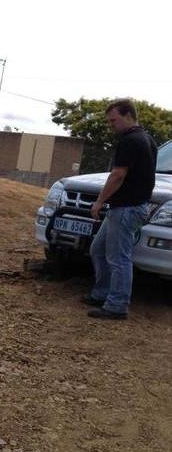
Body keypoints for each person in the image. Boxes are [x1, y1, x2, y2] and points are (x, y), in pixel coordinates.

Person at [83, 99, 157, 319]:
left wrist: (99, 201)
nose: (111, 125)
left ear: (128, 115)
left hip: (127, 208)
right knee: (98, 250)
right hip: (125, 207)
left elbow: (118, 175)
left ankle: (117, 306)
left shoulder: (130, 140)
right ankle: (102, 293)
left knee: (119, 258)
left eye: (113, 120)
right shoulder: (147, 139)